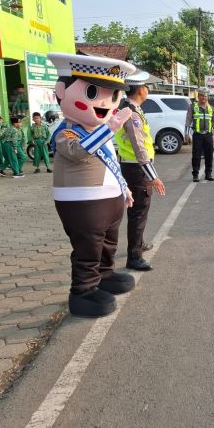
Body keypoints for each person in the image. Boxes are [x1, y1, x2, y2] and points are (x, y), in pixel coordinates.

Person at [48, 52, 136, 318]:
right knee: (88, 246)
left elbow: (112, 164)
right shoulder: (66, 131)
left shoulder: (102, 132)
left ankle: (105, 274)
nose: (104, 103)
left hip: (110, 201)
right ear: (62, 91)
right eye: (92, 93)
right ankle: (83, 291)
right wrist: (108, 128)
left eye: (112, 96)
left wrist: (124, 189)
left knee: (109, 242)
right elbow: (76, 152)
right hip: (82, 202)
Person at [115, 72, 166, 272]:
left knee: (138, 212)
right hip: (136, 169)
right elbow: (139, 148)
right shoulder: (132, 113)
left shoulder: (131, 109)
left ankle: (139, 244)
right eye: (146, 87)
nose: (148, 90)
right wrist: (154, 176)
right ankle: (134, 257)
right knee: (138, 214)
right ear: (140, 90)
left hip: (133, 166)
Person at [185, 87, 214, 182]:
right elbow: (188, 122)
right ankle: (195, 175)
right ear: (198, 96)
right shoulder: (193, 107)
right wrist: (187, 134)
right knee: (196, 155)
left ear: (207, 97)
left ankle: (208, 174)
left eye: (205, 96)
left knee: (209, 155)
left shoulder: (211, 108)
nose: (203, 98)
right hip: (197, 135)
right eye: (201, 96)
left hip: (208, 135)